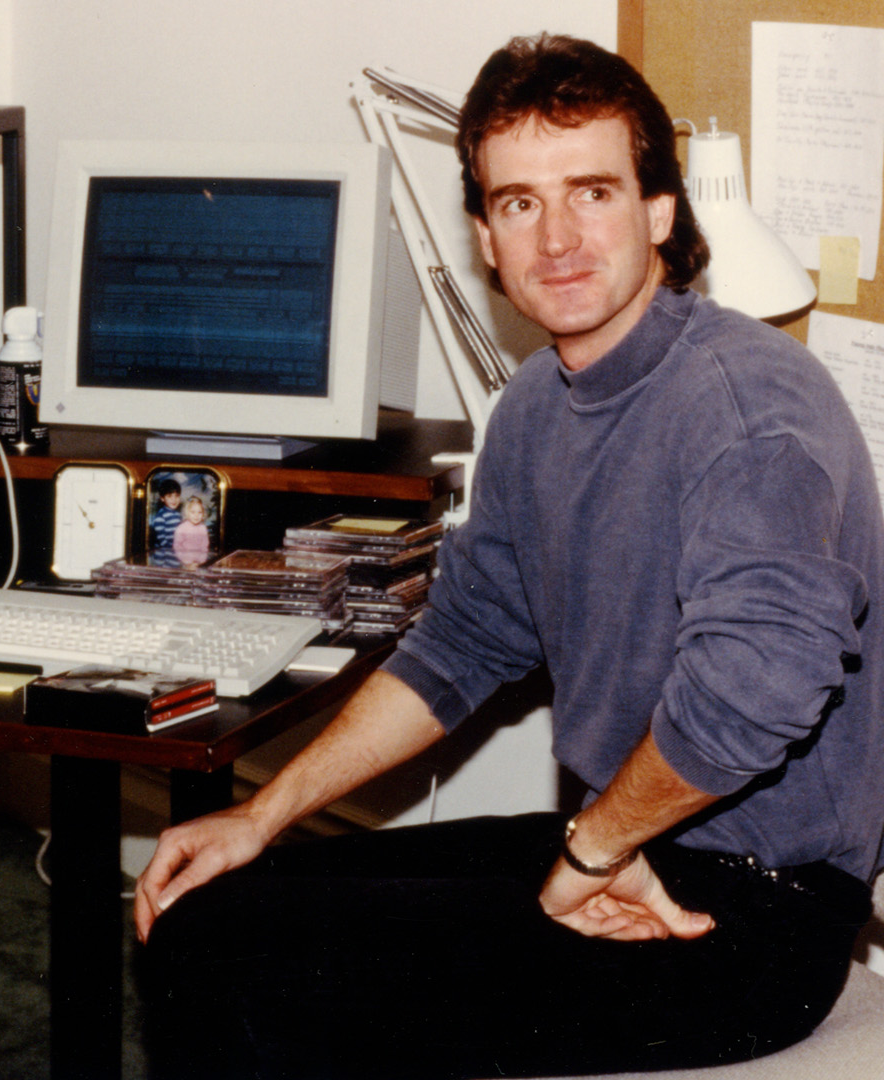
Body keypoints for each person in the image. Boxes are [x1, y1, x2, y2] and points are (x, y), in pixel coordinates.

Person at [134, 34, 883, 1080]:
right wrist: (262, 814)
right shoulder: (536, 405)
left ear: (661, 213)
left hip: (757, 909)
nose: (559, 238)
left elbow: (757, 690)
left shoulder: (748, 409)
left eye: (593, 192)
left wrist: (591, 850)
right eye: (521, 203)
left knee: (254, 971)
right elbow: (462, 646)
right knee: (215, 905)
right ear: (486, 234)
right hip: (617, 844)